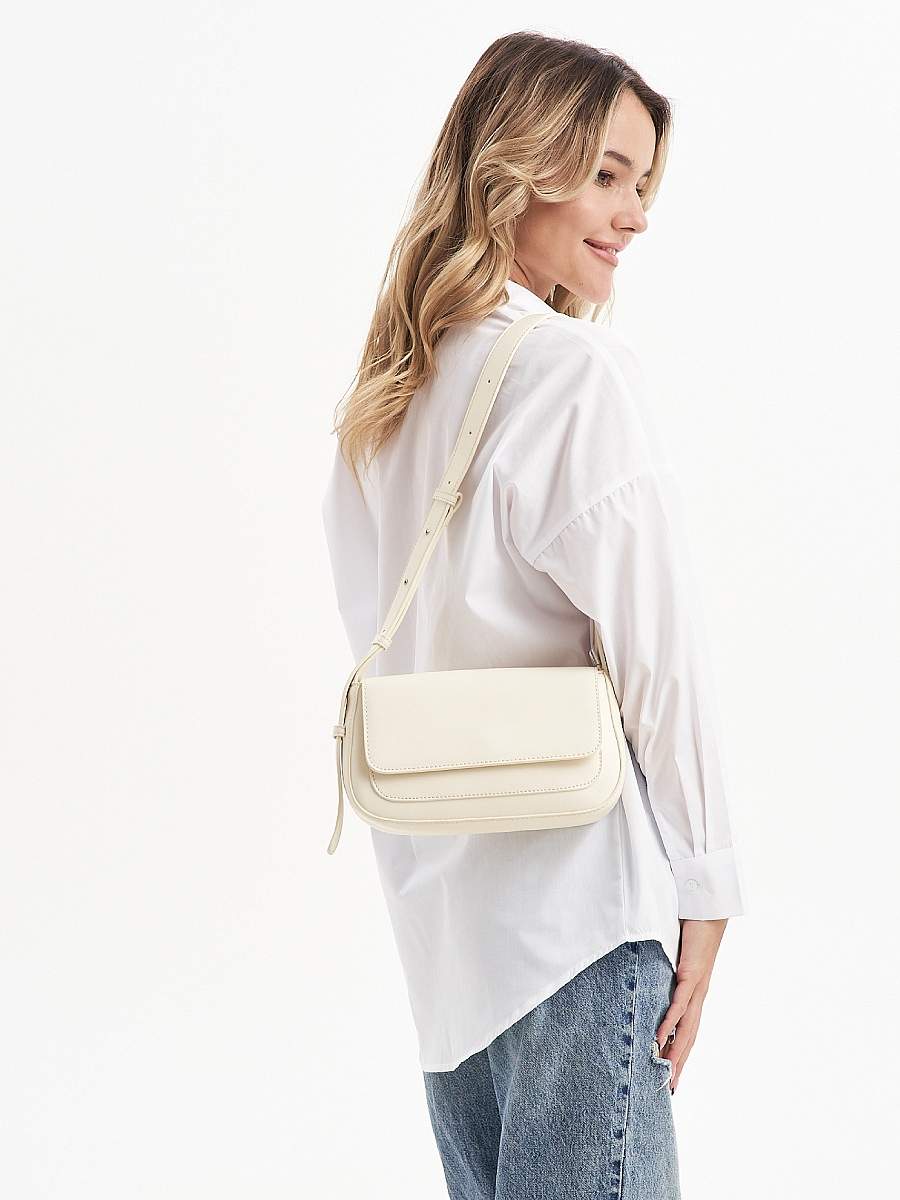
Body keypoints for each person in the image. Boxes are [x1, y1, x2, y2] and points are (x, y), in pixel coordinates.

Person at [321, 31, 748, 1200]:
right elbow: (664, 658)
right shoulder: (571, 377)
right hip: (577, 926)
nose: (635, 215)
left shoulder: (386, 399)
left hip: (446, 960)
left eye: (642, 184)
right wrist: (709, 890)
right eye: (606, 174)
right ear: (516, 166)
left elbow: (387, 645)